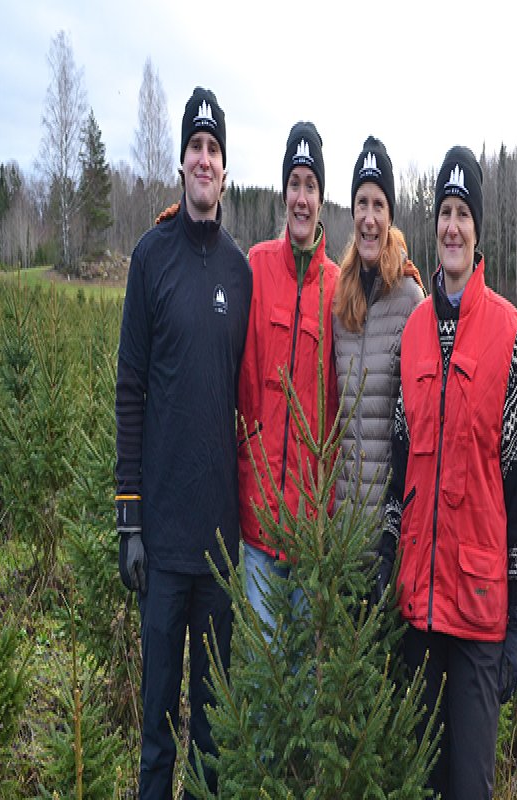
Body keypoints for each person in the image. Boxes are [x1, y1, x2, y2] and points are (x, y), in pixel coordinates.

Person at [374, 145, 517, 799]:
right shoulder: (414, 332)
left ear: (477, 232)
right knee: (418, 782)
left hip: (478, 619)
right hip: (417, 611)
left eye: (462, 214)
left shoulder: (506, 336)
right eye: (443, 212)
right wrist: (385, 563)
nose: (451, 226)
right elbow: (398, 476)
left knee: (467, 789)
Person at [114, 86, 251, 800]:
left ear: (225, 170)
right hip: (162, 545)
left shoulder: (239, 271)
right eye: (195, 146)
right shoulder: (149, 259)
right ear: (181, 161)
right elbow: (130, 388)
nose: (204, 159)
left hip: (220, 547)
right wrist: (128, 514)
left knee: (214, 728)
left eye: (214, 149)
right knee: (159, 725)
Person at [235, 120, 341, 640]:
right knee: (261, 670)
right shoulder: (253, 267)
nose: (302, 197)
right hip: (257, 520)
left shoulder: (340, 290)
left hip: (310, 527)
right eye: (294, 183)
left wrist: (403, 271)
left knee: (299, 682)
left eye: (311, 186)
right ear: (284, 193)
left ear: (322, 198)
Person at [331, 135, 425, 555]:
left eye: (379, 205)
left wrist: (397, 533)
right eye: (362, 203)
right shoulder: (339, 299)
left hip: (391, 541)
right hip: (341, 540)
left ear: (390, 217)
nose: (369, 218)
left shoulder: (409, 299)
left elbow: (417, 428)